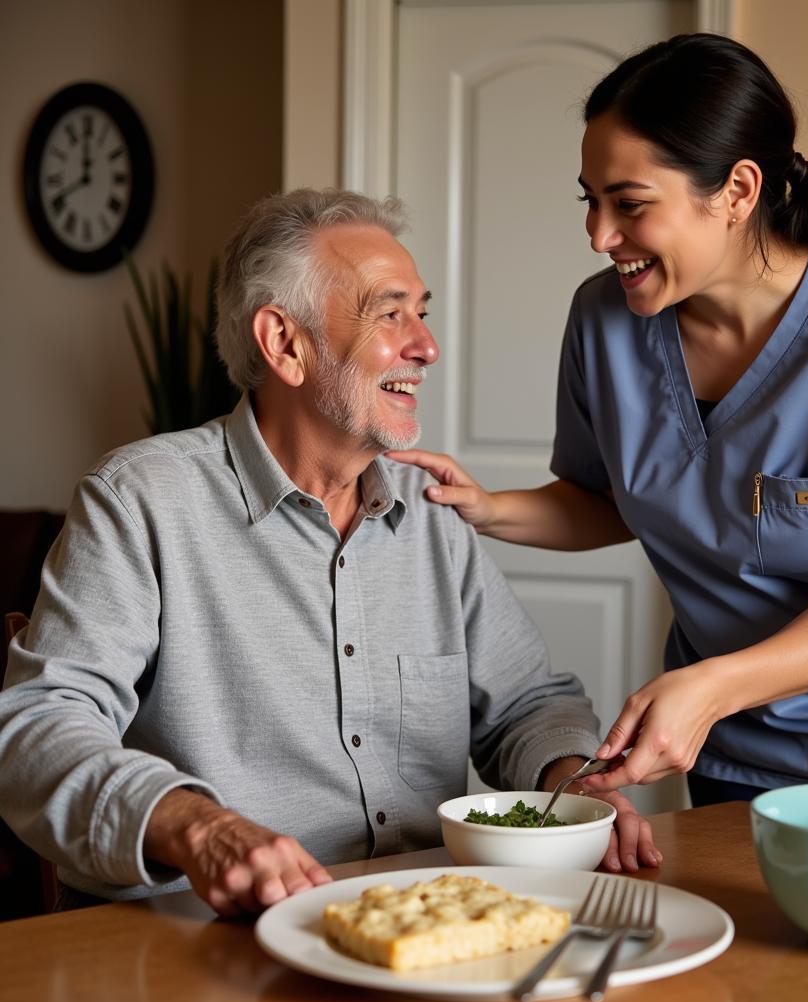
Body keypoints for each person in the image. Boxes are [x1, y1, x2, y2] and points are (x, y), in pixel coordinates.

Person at [388, 34, 808, 865]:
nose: (598, 234)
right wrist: (488, 507)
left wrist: (707, 688)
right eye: (588, 200)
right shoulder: (604, 320)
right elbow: (611, 500)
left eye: (629, 202)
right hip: (740, 751)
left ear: (737, 189)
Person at [0, 188, 659, 915]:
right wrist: (198, 825)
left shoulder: (432, 515)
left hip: (417, 929)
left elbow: (527, 706)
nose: (427, 346)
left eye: (423, 311)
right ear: (284, 343)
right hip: (202, 946)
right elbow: (36, 729)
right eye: (389, 313)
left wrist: (576, 789)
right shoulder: (139, 502)